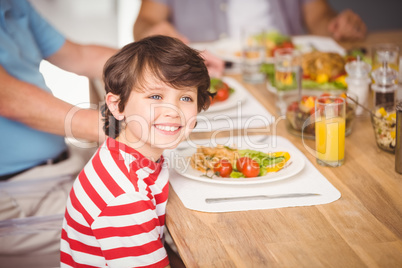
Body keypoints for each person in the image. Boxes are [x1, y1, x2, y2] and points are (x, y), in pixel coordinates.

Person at [60, 35, 211, 267]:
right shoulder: (127, 198)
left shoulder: (122, 153)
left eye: (185, 97)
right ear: (117, 105)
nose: (173, 110)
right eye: (155, 96)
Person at [0, 0, 117, 263]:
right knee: (140, 226)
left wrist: (169, 66)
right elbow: (8, 99)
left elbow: (79, 57)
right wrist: (121, 128)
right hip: (16, 196)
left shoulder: (13, 4)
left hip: (61, 164)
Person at [133, 0, 367, 43]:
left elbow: (318, 15)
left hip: (284, 71)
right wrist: (153, 33)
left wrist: (337, 26)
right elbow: (144, 21)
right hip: (206, 77)